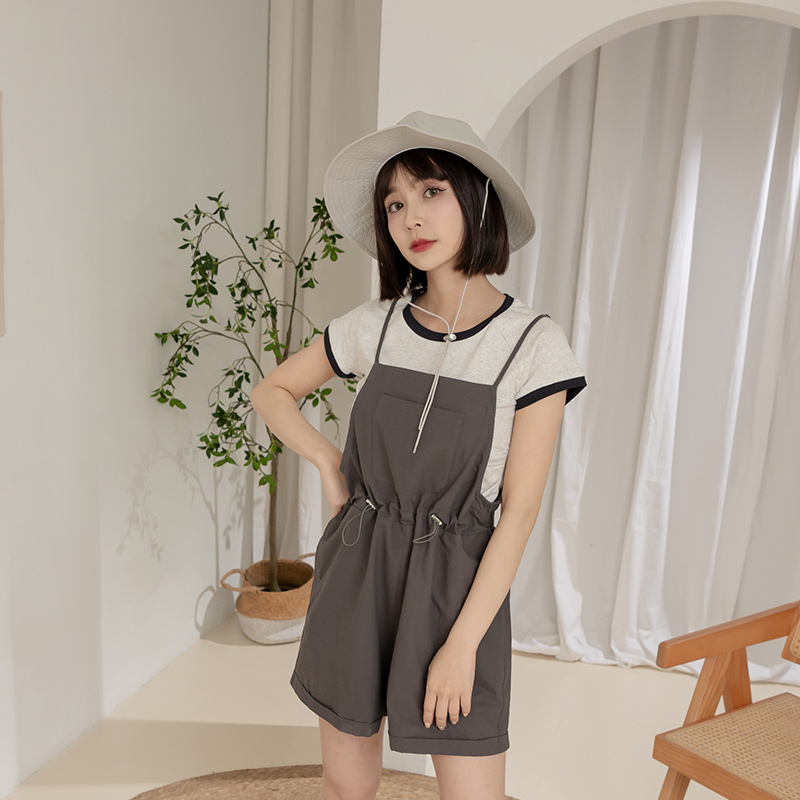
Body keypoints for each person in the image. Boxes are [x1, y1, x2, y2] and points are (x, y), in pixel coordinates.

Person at [251, 111, 586, 800]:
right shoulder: (375, 327)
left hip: (456, 588)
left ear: (477, 200)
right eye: (395, 204)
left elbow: (519, 512)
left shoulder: (533, 345)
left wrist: (460, 646)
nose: (411, 218)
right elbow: (273, 391)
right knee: (348, 785)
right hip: (358, 568)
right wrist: (327, 461)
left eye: (431, 192)